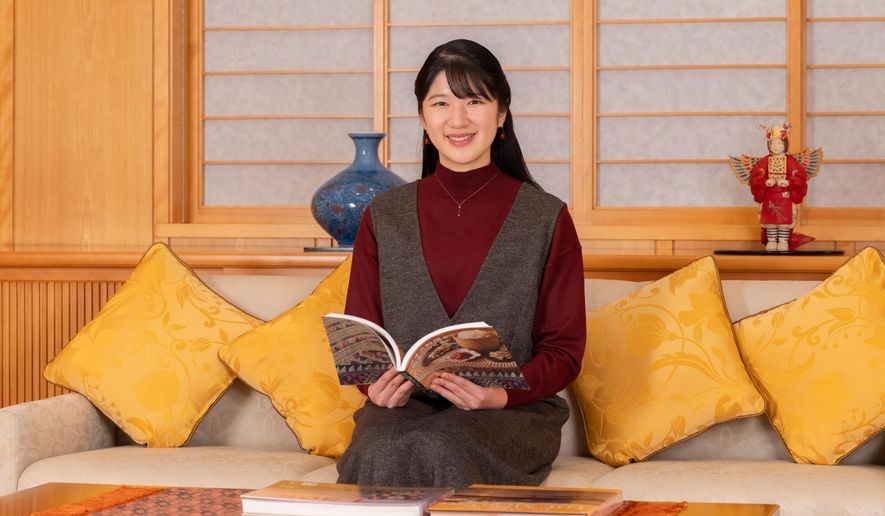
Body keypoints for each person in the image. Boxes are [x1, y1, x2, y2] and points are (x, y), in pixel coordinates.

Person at [335, 39, 586, 488]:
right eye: (441, 103)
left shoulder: (547, 217)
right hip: (405, 407)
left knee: (442, 445)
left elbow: (564, 352)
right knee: (382, 446)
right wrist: (371, 385)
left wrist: (497, 395)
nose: (458, 119)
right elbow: (362, 337)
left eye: (474, 101)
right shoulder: (384, 215)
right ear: (423, 118)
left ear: (502, 113)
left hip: (512, 410)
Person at [748, 124, 808, 252]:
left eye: (779, 143)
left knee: (784, 221)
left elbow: (800, 177)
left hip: (784, 196)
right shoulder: (764, 161)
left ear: (785, 145)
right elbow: (755, 177)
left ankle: (782, 241)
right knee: (770, 219)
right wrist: (765, 182)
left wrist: (789, 183)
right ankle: (771, 240)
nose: (775, 146)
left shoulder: (791, 162)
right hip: (769, 195)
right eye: (773, 143)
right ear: (769, 145)